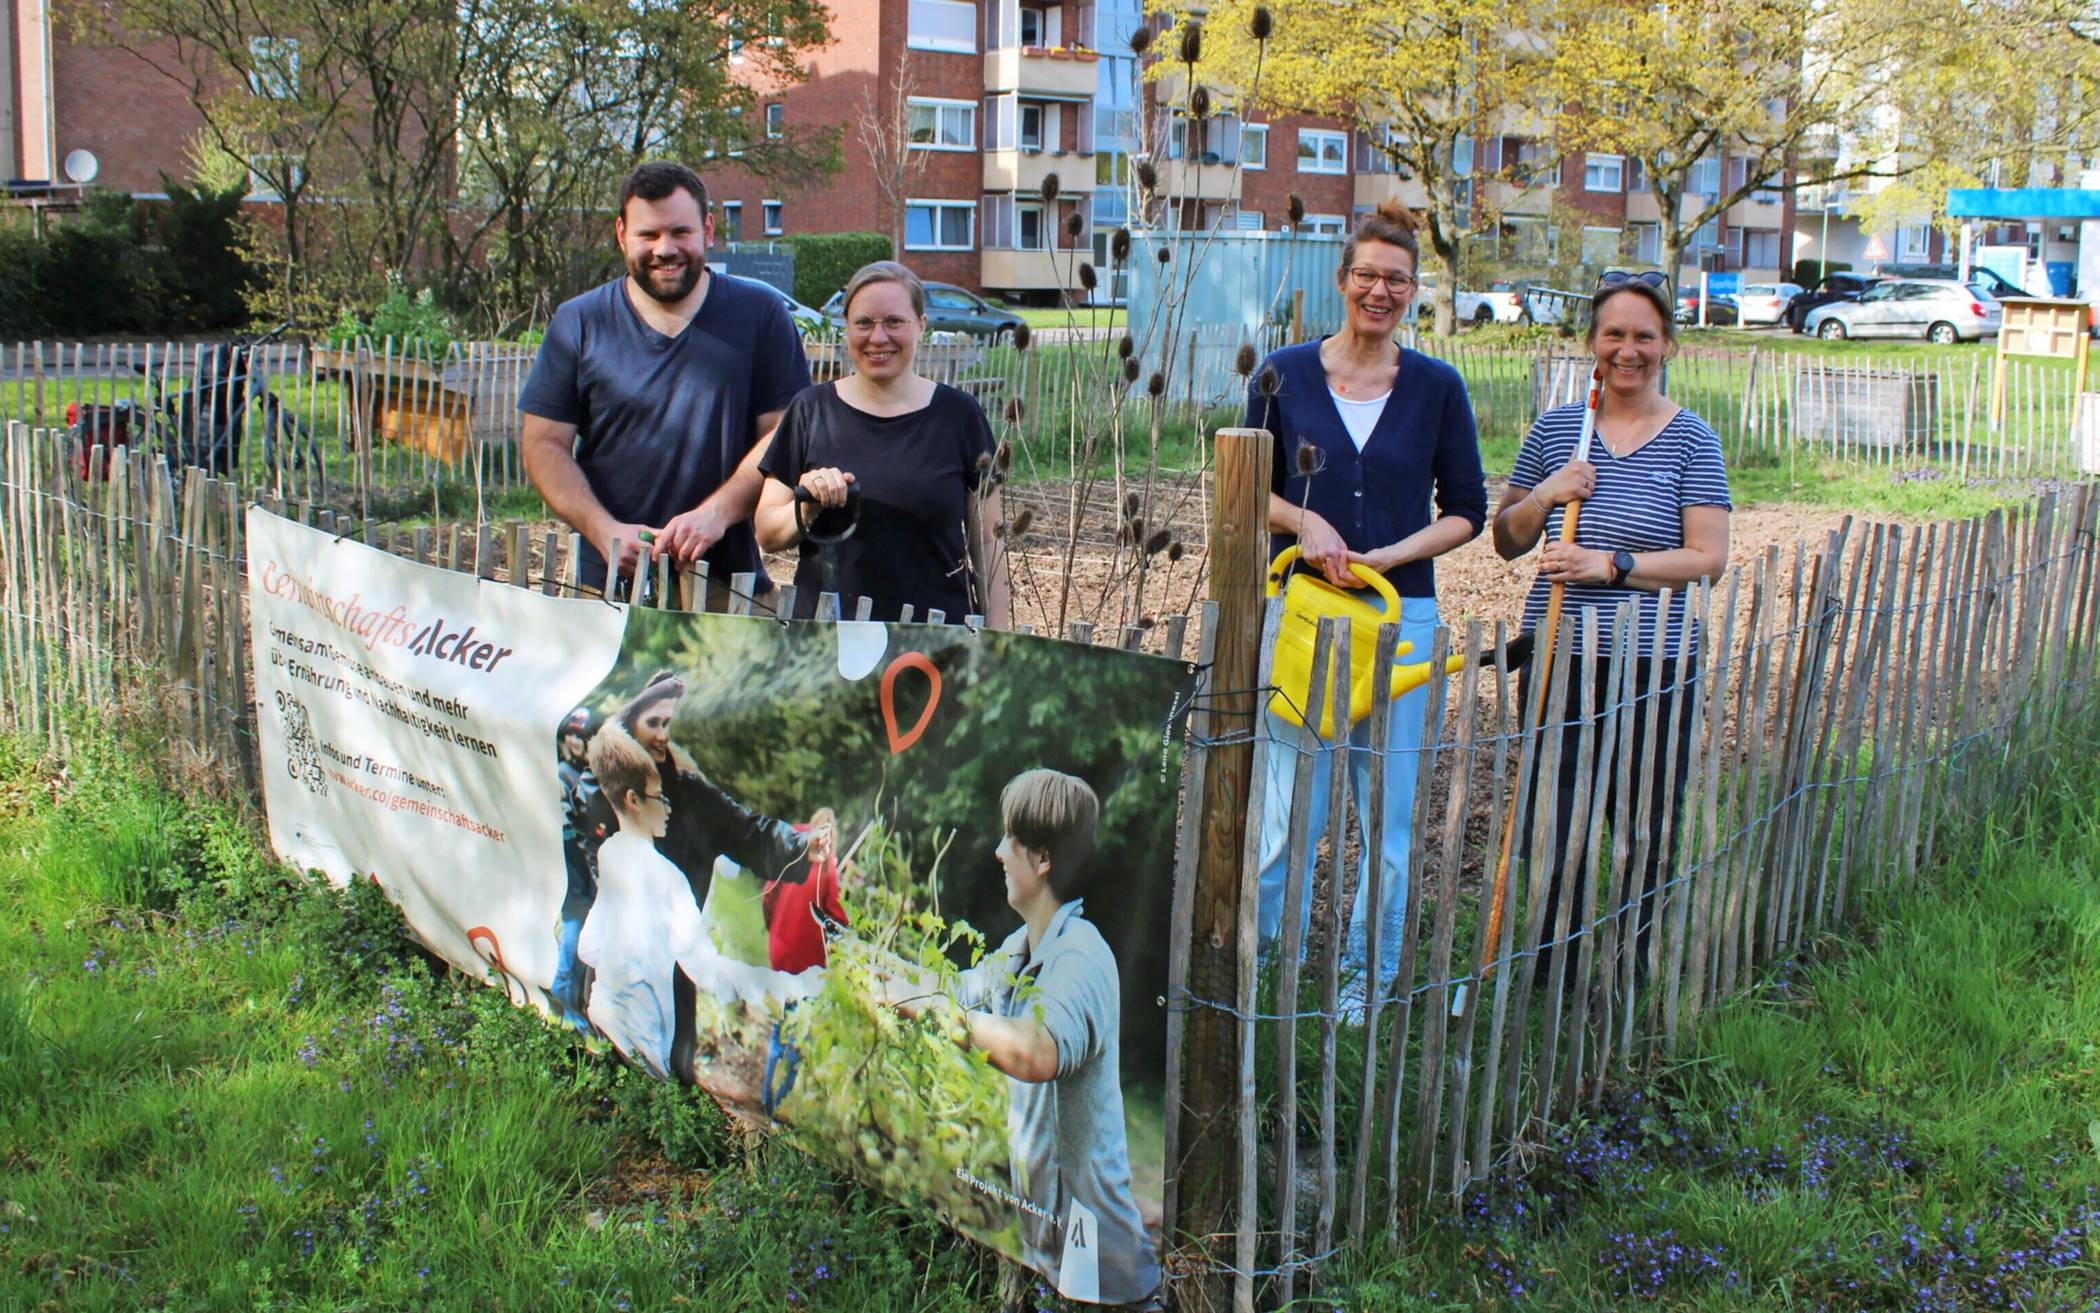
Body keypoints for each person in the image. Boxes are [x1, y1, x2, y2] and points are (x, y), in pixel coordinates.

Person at [1247, 201, 1487, 1002]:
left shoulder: (1438, 388)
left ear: (1412, 291)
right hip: (1305, 623)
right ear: (1342, 280)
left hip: (1400, 621)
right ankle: (1267, 972)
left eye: (1397, 280)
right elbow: (1244, 487)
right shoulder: (1280, 375)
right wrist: (1305, 517)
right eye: (1367, 276)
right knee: (1288, 820)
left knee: (1387, 825)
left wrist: (1392, 553)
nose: (1379, 291)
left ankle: (1366, 980)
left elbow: (1466, 509)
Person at [1489, 270, 1732, 982]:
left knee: (1642, 817)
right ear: (1592, 343)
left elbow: (1708, 558)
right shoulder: (1560, 429)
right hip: (1559, 653)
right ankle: (1549, 968)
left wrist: (1612, 564)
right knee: (1554, 817)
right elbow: (1506, 539)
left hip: (1653, 661)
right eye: (1614, 335)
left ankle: (1629, 963)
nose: (1628, 350)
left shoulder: (1693, 440)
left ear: (1668, 345)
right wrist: (1546, 492)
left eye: (1644, 336)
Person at [875, 770, 1158, 1307]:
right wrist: (880, 972)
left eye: (1011, 839)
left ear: (1043, 859)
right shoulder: (1020, 948)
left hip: (1105, 1276)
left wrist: (926, 1009)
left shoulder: (1081, 956)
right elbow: (958, 991)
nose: (998, 852)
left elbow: (1037, 1052)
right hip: (1048, 1255)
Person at [519, 161, 811, 601]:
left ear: (708, 230)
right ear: (621, 235)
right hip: (604, 584)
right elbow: (543, 444)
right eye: (648, 235)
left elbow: (784, 433)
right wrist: (605, 531)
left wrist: (716, 514)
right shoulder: (579, 322)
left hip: (727, 588)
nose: (664, 248)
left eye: (680, 232)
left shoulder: (760, 316)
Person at [580, 670, 818, 1077]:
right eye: (653, 722)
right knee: (614, 1061)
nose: (661, 734)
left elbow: (750, 833)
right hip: (623, 968)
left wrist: (801, 846)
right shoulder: (602, 794)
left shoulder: (693, 794)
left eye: (668, 724)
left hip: (675, 967)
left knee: (671, 1068)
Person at [754, 260, 1008, 624]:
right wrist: (806, 509)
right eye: (864, 323)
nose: (878, 337)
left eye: (893, 321)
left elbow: (988, 543)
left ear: (921, 325)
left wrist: (998, 642)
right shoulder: (810, 410)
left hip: (933, 645)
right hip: (826, 642)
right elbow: (767, 530)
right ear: (846, 328)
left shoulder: (960, 416)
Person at [551, 706, 599, 1031]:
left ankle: (572, 1004)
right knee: (575, 924)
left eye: (580, 734)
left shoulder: (584, 773)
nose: (574, 739)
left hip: (583, 861)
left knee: (583, 927)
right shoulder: (563, 775)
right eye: (570, 733)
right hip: (572, 861)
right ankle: (564, 1002)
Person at [764, 807, 850, 974]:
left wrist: (772, 926)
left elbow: (769, 892)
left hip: (780, 946)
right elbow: (836, 914)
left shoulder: (793, 852)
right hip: (808, 960)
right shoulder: (827, 870)